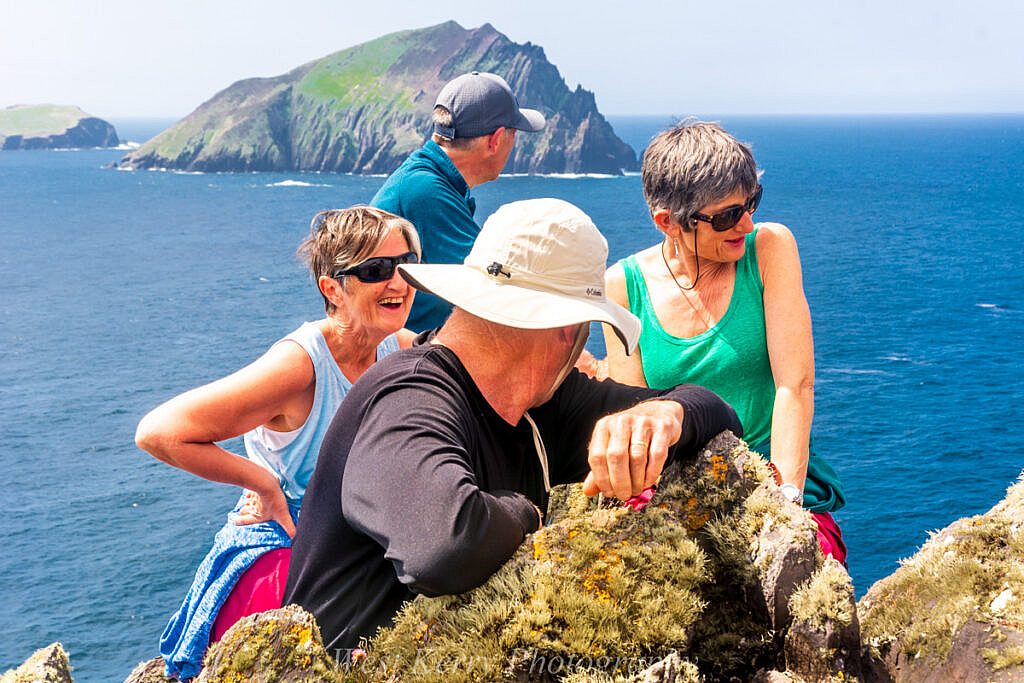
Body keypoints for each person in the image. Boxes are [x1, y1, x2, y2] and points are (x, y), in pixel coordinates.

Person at [283, 198, 742, 652]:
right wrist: (527, 511)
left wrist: (664, 415)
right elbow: (444, 547)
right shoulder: (409, 397)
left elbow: (718, 414)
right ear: (567, 329)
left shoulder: (545, 404)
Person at [134, 206, 421, 680]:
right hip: (289, 551)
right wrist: (263, 483)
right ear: (333, 289)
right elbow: (160, 431)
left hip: (353, 542)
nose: (397, 282)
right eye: (375, 270)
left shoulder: (399, 349)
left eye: (406, 265)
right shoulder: (300, 366)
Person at [601, 120, 846, 562]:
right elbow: (635, 414)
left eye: (751, 203)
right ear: (667, 222)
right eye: (727, 216)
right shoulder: (622, 287)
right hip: (680, 493)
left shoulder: (769, 248)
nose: (747, 225)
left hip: (777, 480)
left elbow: (795, 385)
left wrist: (785, 504)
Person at [371, 71, 546, 332]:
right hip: (410, 352)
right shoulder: (425, 191)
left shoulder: (430, 181)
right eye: (514, 133)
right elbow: (494, 284)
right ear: (497, 140)